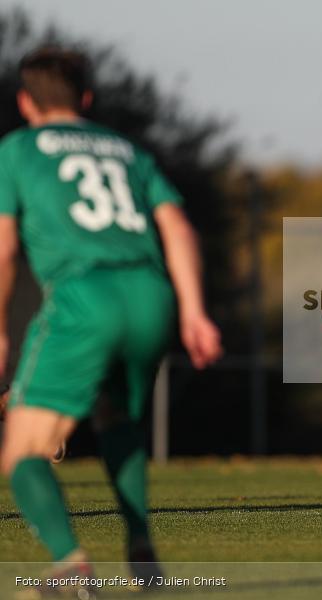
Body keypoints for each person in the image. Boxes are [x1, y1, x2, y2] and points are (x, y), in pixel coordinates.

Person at [0, 46, 222, 597]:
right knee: (118, 421)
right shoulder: (127, 150)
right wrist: (194, 312)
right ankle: (141, 545)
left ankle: (71, 566)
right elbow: (178, 229)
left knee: (23, 450)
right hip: (152, 296)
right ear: (87, 99)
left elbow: (3, 247)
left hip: (84, 295)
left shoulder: (18, 148)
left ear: (26, 102)